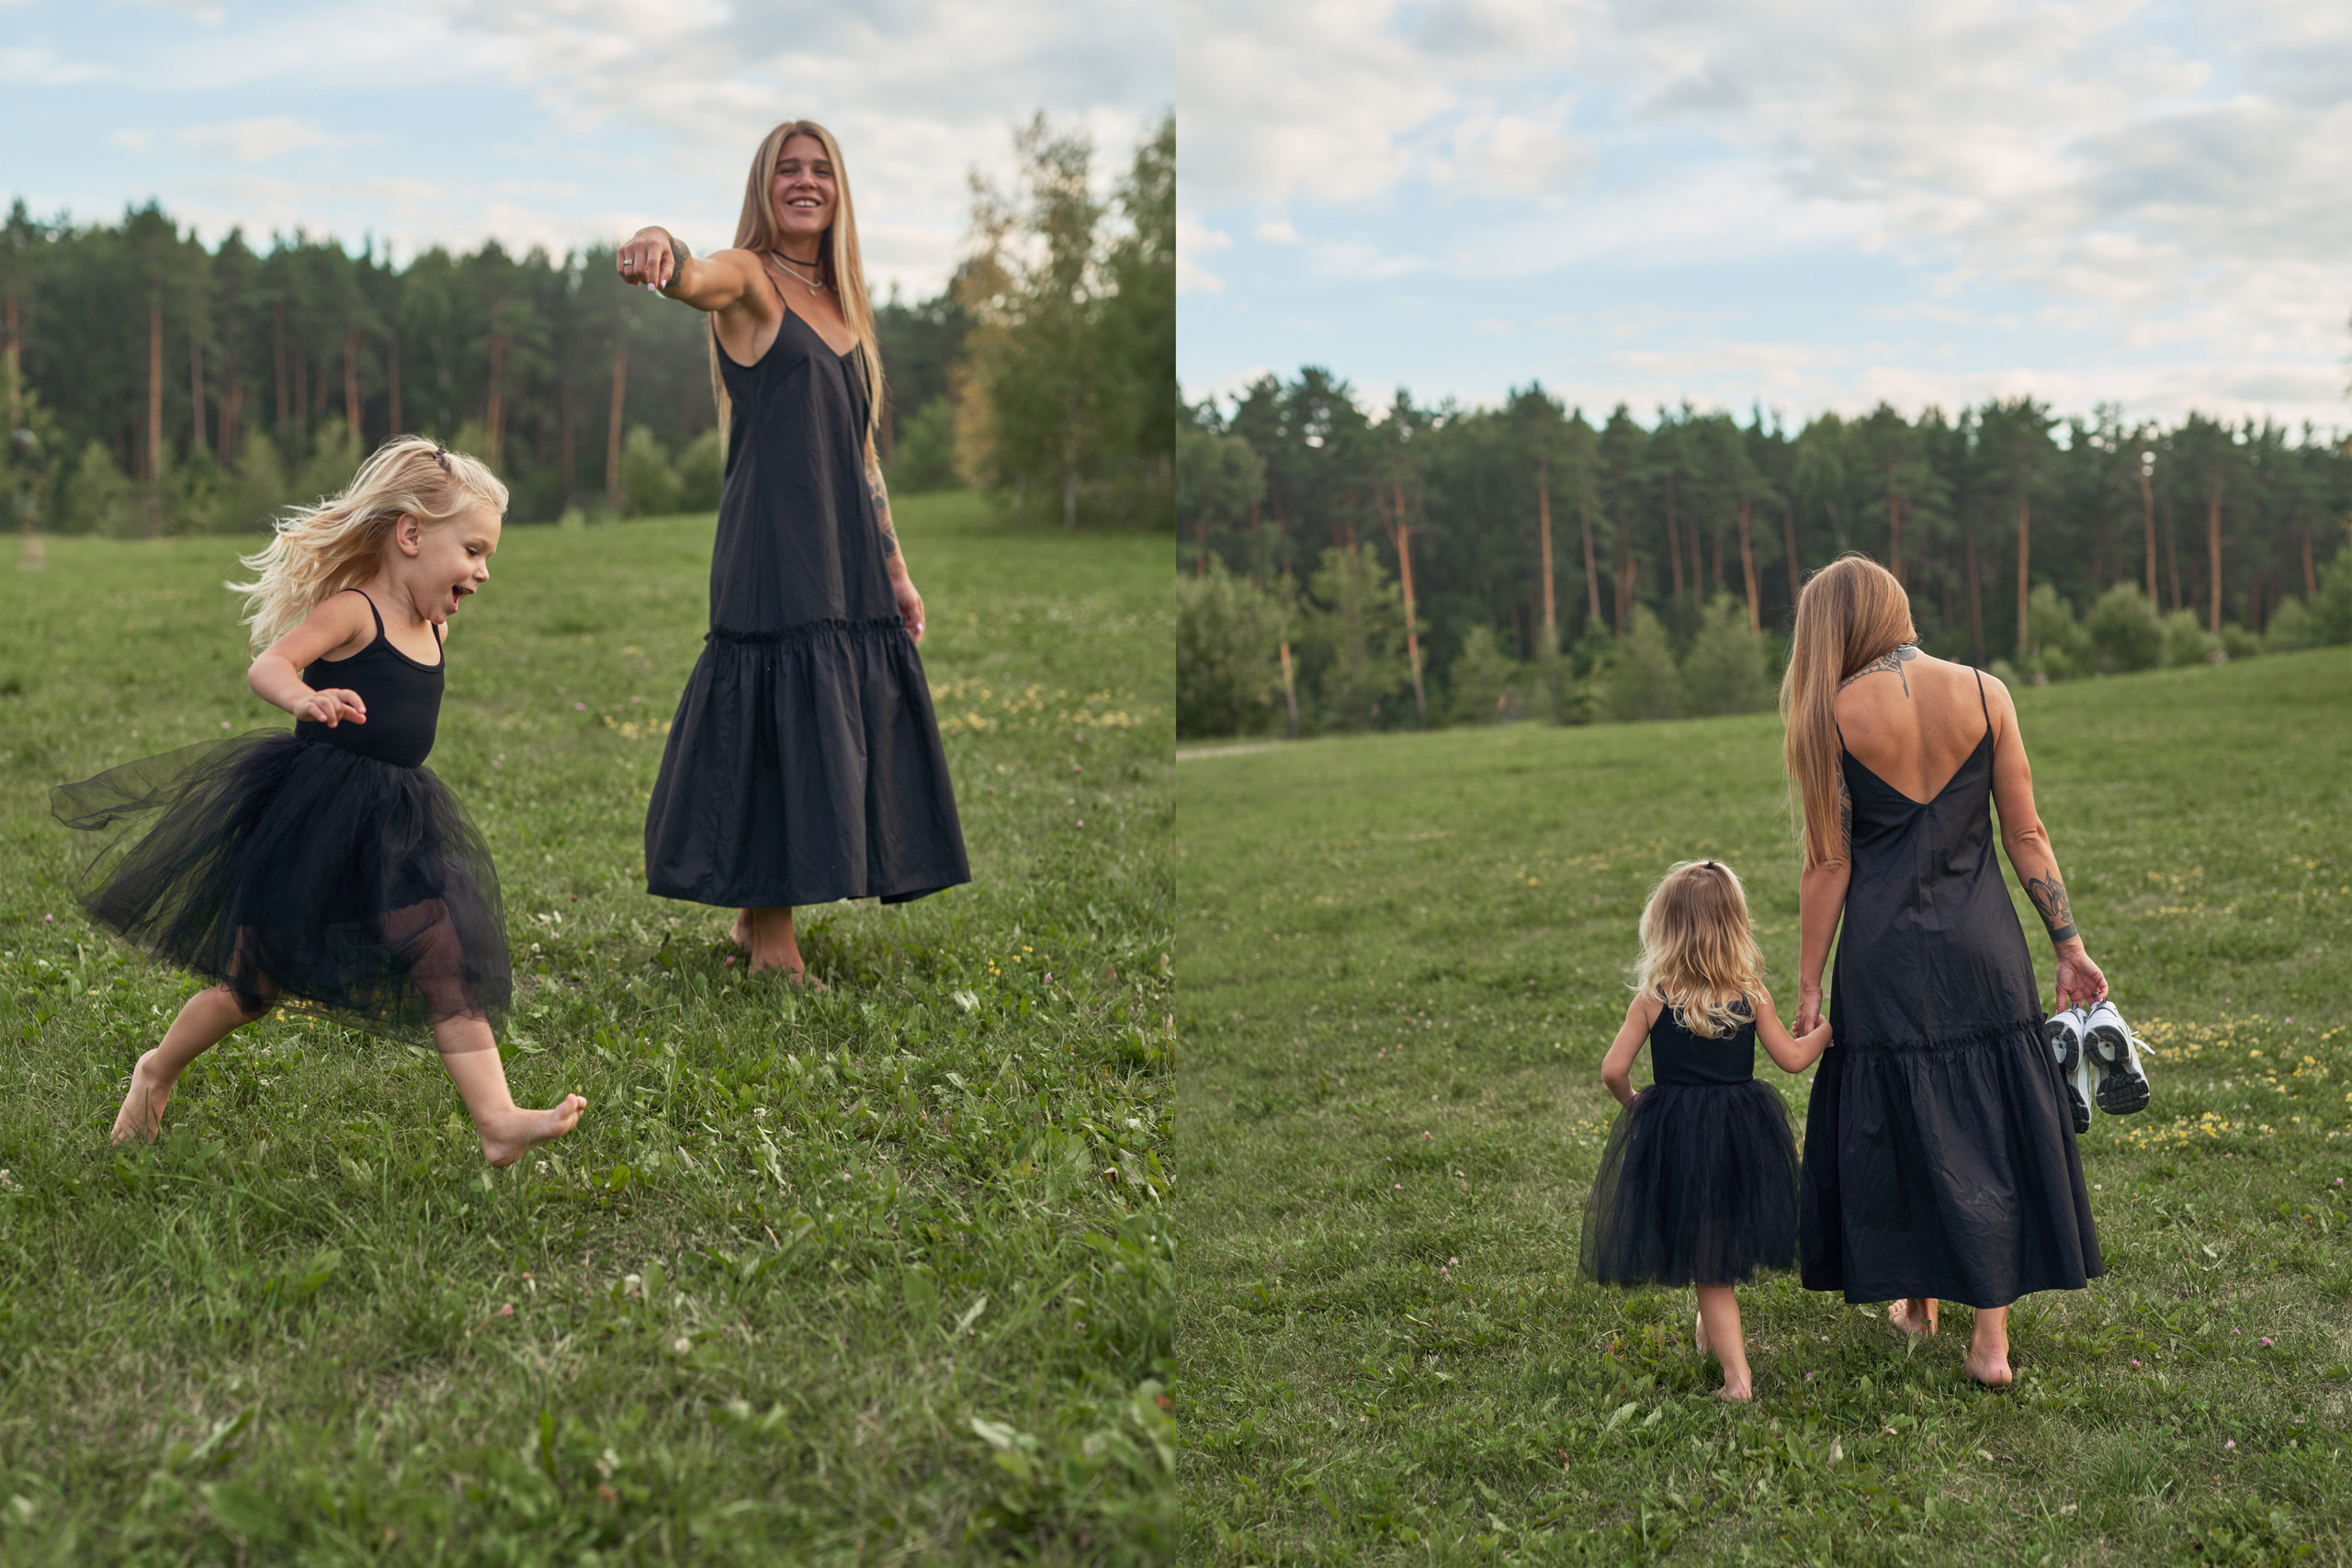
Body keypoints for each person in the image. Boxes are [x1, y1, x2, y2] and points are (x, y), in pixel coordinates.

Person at [51, 437, 585, 1167]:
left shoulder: (435, 622)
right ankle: (157, 1067)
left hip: (395, 824)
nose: (483, 571)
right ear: (411, 534)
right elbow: (269, 663)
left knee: (443, 955)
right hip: (313, 817)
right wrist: (307, 695)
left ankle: (495, 1118)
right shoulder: (354, 610)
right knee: (251, 987)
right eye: (472, 549)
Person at [615, 119, 969, 983]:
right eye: (788, 169)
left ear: (839, 189)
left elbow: (860, 453)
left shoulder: (843, 304)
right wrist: (662, 243)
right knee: (771, 707)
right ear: (765, 186)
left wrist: (895, 566)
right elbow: (695, 276)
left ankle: (751, 918)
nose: (805, 181)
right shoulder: (750, 278)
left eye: (821, 170)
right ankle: (773, 942)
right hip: (773, 540)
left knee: (828, 705)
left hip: (844, 544)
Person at [1784, 555, 2105, 1387]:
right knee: (1990, 1120)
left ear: (1832, 628)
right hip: (1984, 948)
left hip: (1883, 957)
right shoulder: (1986, 691)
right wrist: (2068, 942)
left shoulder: (1832, 715)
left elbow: (1829, 864)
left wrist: (1809, 982)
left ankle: (1916, 1295)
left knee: (1901, 1118)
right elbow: (2025, 835)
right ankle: (1989, 1343)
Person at [1582, 859, 1832, 1401]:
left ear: (1664, 926)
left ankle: (1737, 1381)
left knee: (1709, 1265)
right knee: (1716, 1243)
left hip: (1679, 1138)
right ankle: (1710, 1329)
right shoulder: (1751, 992)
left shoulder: (1655, 996)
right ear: (1734, 925)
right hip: (1742, 1134)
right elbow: (1791, 1059)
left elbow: (1612, 1070)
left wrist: (1637, 1106)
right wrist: (1829, 1031)